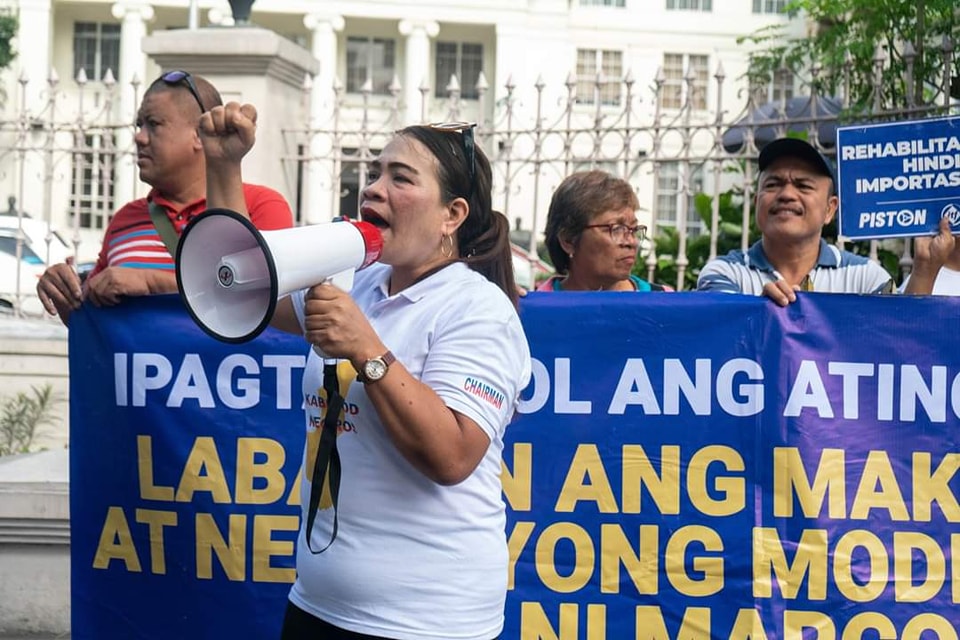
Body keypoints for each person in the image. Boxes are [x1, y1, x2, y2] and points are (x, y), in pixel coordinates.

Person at [200, 103, 532, 640]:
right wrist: (222, 166)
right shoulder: (361, 283)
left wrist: (367, 349)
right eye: (375, 173)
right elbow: (235, 284)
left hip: (426, 623)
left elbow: (451, 456)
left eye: (400, 178)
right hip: (316, 605)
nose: (373, 189)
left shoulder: (477, 309)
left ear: (453, 215)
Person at [35, 70, 293, 325]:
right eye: (139, 124)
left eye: (154, 124)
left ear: (200, 135)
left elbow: (271, 304)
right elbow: (98, 323)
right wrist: (65, 294)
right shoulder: (125, 219)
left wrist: (150, 282)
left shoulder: (262, 205)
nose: (138, 137)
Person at [697, 137, 954, 305]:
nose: (786, 194)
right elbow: (722, 337)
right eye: (773, 184)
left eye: (803, 186)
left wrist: (925, 270)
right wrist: (760, 315)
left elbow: (899, 343)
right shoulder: (723, 274)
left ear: (830, 210)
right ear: (756, 203)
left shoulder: (865, 278)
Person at [537, 170, 669, 292]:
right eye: (616, 229)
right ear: (568, 240)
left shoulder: (662, 302)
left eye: (633, 229)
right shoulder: (533, 308)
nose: (631, 242)